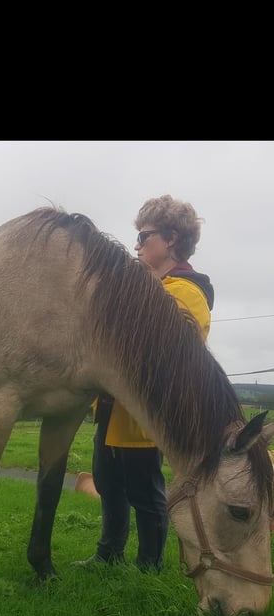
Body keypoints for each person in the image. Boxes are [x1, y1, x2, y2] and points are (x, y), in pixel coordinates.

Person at [73, 194, 214, 572]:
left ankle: (149, 567)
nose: (135, 245)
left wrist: (141, 292)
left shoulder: (188, 290)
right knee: (107, 481)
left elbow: (171, 348)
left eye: (143, 236)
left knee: (144, 492)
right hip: (112, 408)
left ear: (170, 239)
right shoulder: (153, 284)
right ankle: (109, 553)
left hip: (144, 418)